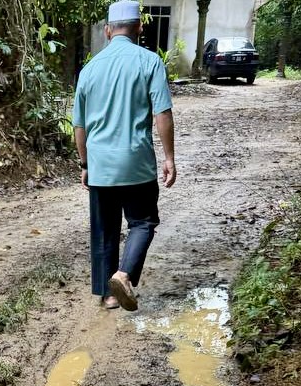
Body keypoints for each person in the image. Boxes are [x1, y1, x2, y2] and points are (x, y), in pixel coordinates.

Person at [72, 0, 176, 312]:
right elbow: (162, 113)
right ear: (139, 28)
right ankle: (123, 274)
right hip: (137, 163)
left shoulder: (89, 70)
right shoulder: (150, 62)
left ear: (107, 31)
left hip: (101, 164)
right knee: (143, 222)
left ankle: (110, 295)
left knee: (104, 231)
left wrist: (85, 164)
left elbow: (79, 126)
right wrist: (169, 157)